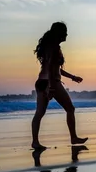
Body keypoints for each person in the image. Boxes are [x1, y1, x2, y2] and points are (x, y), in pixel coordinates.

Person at [31, 22, 87, 150]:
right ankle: (73, 137)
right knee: (70, 109)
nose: (67, 34)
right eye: (65, 32)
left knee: (39, 113)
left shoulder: (48, 47)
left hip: (41, 82)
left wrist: (72, 77)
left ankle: (35, 142)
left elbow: (55, 68)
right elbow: (51, 68)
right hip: (52, 82)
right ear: (59, 33)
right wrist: (51, 87)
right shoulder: (55, 48)